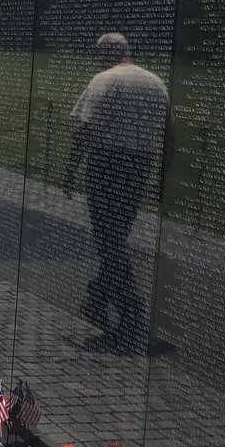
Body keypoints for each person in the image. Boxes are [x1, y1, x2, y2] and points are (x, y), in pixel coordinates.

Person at [65, 33, 171, 353]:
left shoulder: (104, 80)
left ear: (105, 54)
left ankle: (131, 316)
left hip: (107, 165)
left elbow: (87, 129)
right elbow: (168, 135)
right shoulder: (156, 83)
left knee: (108, 242)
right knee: (116, 238)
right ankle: (98, 295)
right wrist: (160, 180)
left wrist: (70, 171)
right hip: (139, 167)